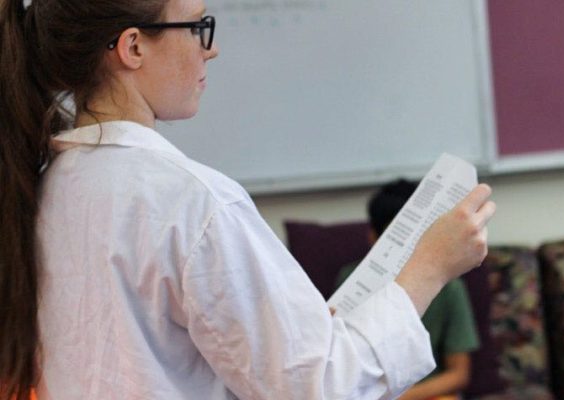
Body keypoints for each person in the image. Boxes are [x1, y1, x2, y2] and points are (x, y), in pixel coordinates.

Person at [0, 0, 496, 399]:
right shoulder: (193, 202)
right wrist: (430, 266)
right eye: (197, 26)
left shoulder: (48, 187)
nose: (209, 50)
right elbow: (324, 389)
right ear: (133, 47)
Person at [336, 179, 480, 400]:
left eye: (414, 238)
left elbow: (459, 374)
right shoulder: (351, 279)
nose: (405, 248)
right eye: (395, 238)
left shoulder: (449, 286)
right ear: (373, 238)